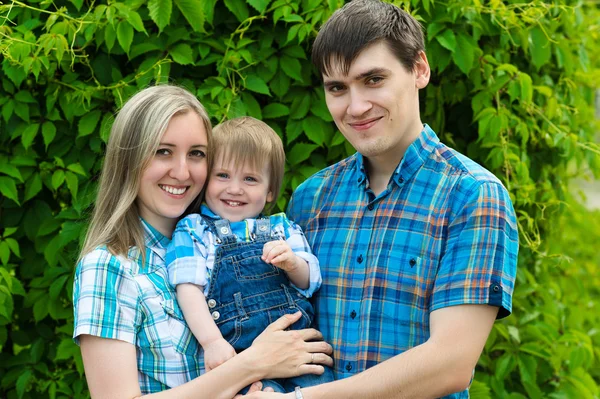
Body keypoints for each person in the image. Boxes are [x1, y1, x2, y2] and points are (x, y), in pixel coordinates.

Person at [245, 0, 519, 398]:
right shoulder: (310, 199)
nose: (355, 107)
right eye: (337, 88)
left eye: (373, 79)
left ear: (419, 69)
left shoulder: (473, 196)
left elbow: (450, 364)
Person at [72, 86, 333, 399]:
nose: (182, 172)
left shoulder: (211, 244)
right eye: (162, 151)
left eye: (196, 154)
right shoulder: (109, 267)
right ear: (129, 159)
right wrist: (253, 364)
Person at [165, 116, 334, 393]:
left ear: (269, 191)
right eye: (222, 175)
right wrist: (211, 343)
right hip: (240, 355)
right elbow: (188, 289)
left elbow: (310, 281)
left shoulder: (282, 227)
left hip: (299, 349)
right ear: (207, 179)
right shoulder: (195, 230)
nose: (235, 188)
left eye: (250, 179)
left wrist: (292, 264)